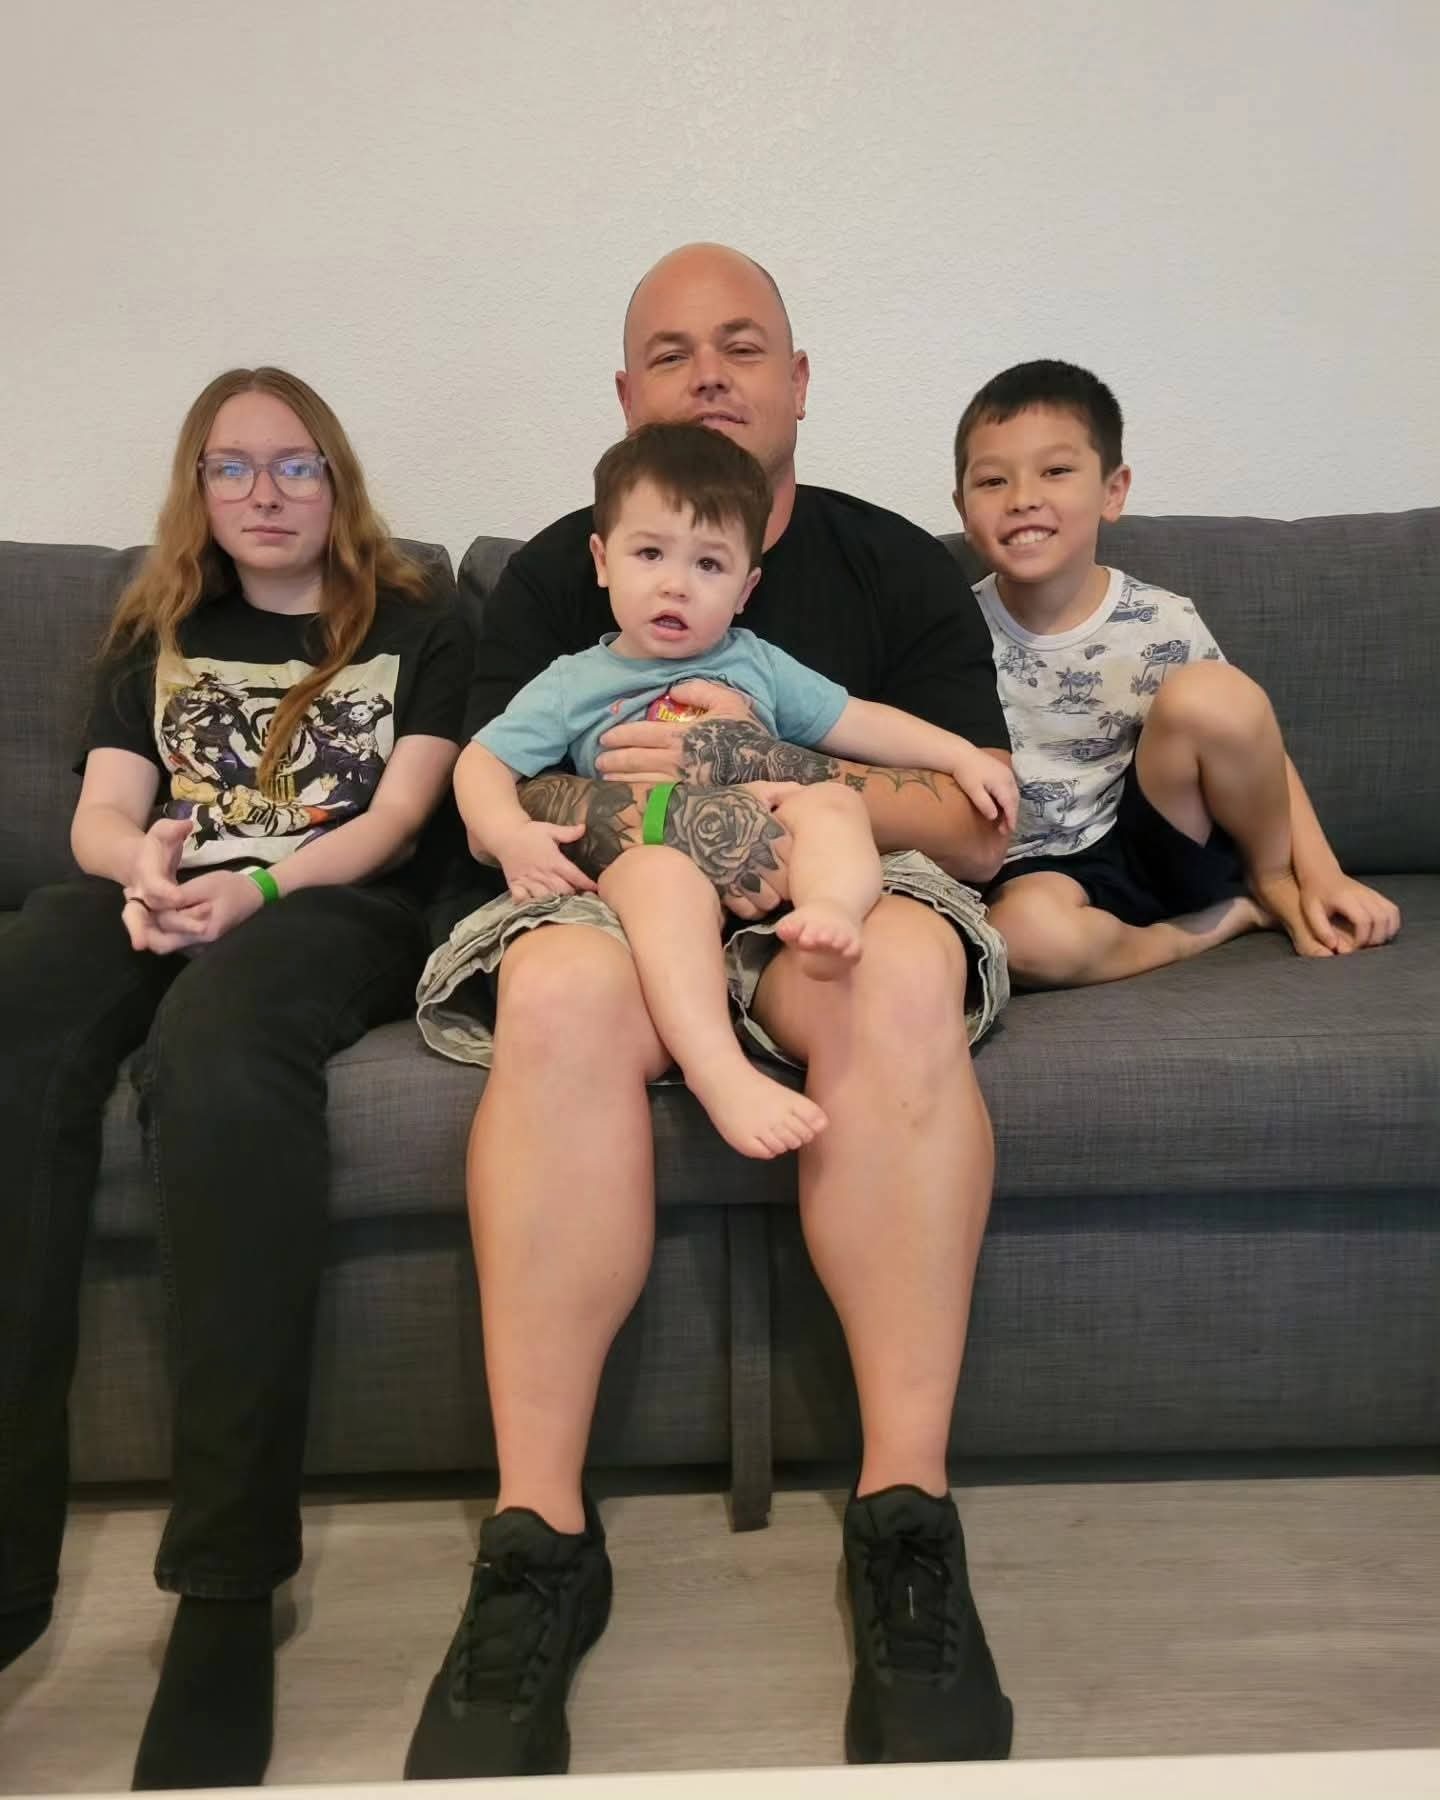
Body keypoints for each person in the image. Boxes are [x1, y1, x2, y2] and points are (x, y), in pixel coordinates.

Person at [407, 244, 1016, 1778]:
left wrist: (771, 770)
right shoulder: (559, 578)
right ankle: (538, 1543)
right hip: (623, 897)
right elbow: (499, 798)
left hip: (825, 895)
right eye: (672, 355)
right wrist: (633, 810)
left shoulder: (893, 565)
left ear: (798, 381)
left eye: (742, 347)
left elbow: (974, 823)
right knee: (554, 993)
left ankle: (905, 1522)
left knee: (904, 972)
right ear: (628, 396)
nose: (710, 377)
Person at [0, 367, 470, 1787]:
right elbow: (103, 810)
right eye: (232, 467)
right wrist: (140, 868)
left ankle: (225, 1584)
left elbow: (398, 819)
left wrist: (255, 887)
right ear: (196, 487)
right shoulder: (155, 627)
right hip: (164, 889)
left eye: (294, 465)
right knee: (22, 998)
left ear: (338, 478)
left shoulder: (418, 622)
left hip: (328, 905)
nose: (264, 494)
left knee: (212, 1057)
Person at [461, 420, 1018, 1158]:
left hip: (772, 864)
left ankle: (830, 914)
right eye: (650, 554)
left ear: (746, 587)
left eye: (709, 564)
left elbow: (858, 721)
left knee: (833, 802)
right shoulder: (575, 682)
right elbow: (481, 761)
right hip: (652, 863)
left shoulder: (757, 662)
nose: (675, 584)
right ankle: (719, 1072)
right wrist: (510, 835)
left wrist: (960, 755)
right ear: (602, 561)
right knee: (659, 877)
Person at [954, 358, 1401, 987]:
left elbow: (1256, 742)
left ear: (1113, 491)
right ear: (962, 507)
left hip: (1153, 841)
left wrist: (1320, 874)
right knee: (1023, 943)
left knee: (1215, 696)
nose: (1023, 497)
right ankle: (1214, 924)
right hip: (1034, 873)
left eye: (1055, 471)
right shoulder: (949, 626)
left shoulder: (1160, 619)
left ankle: (1269, 882)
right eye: (992, 480)